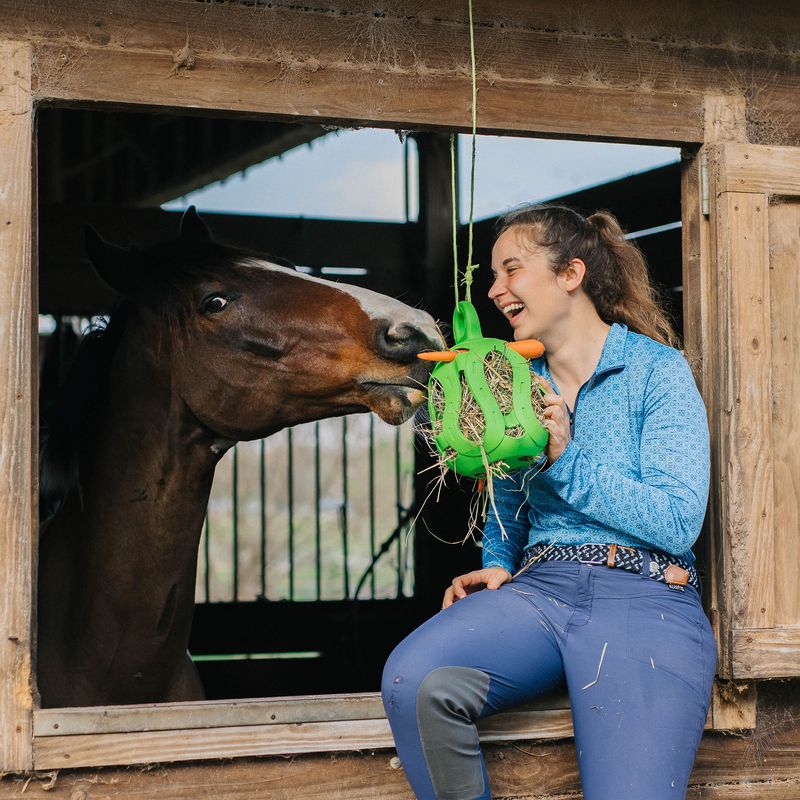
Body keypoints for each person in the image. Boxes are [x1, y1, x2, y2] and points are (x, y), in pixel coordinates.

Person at [382, 204, 715, 800]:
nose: (494, 289)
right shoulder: (511, 380)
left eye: (512, 269)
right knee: (416, 680)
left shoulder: (655, 372)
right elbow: (509, 496)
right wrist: (500, 560)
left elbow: (677, 519)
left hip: (645, 597)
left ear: (571, 274)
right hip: (541, 593)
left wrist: (567, 460)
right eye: (491, 275)